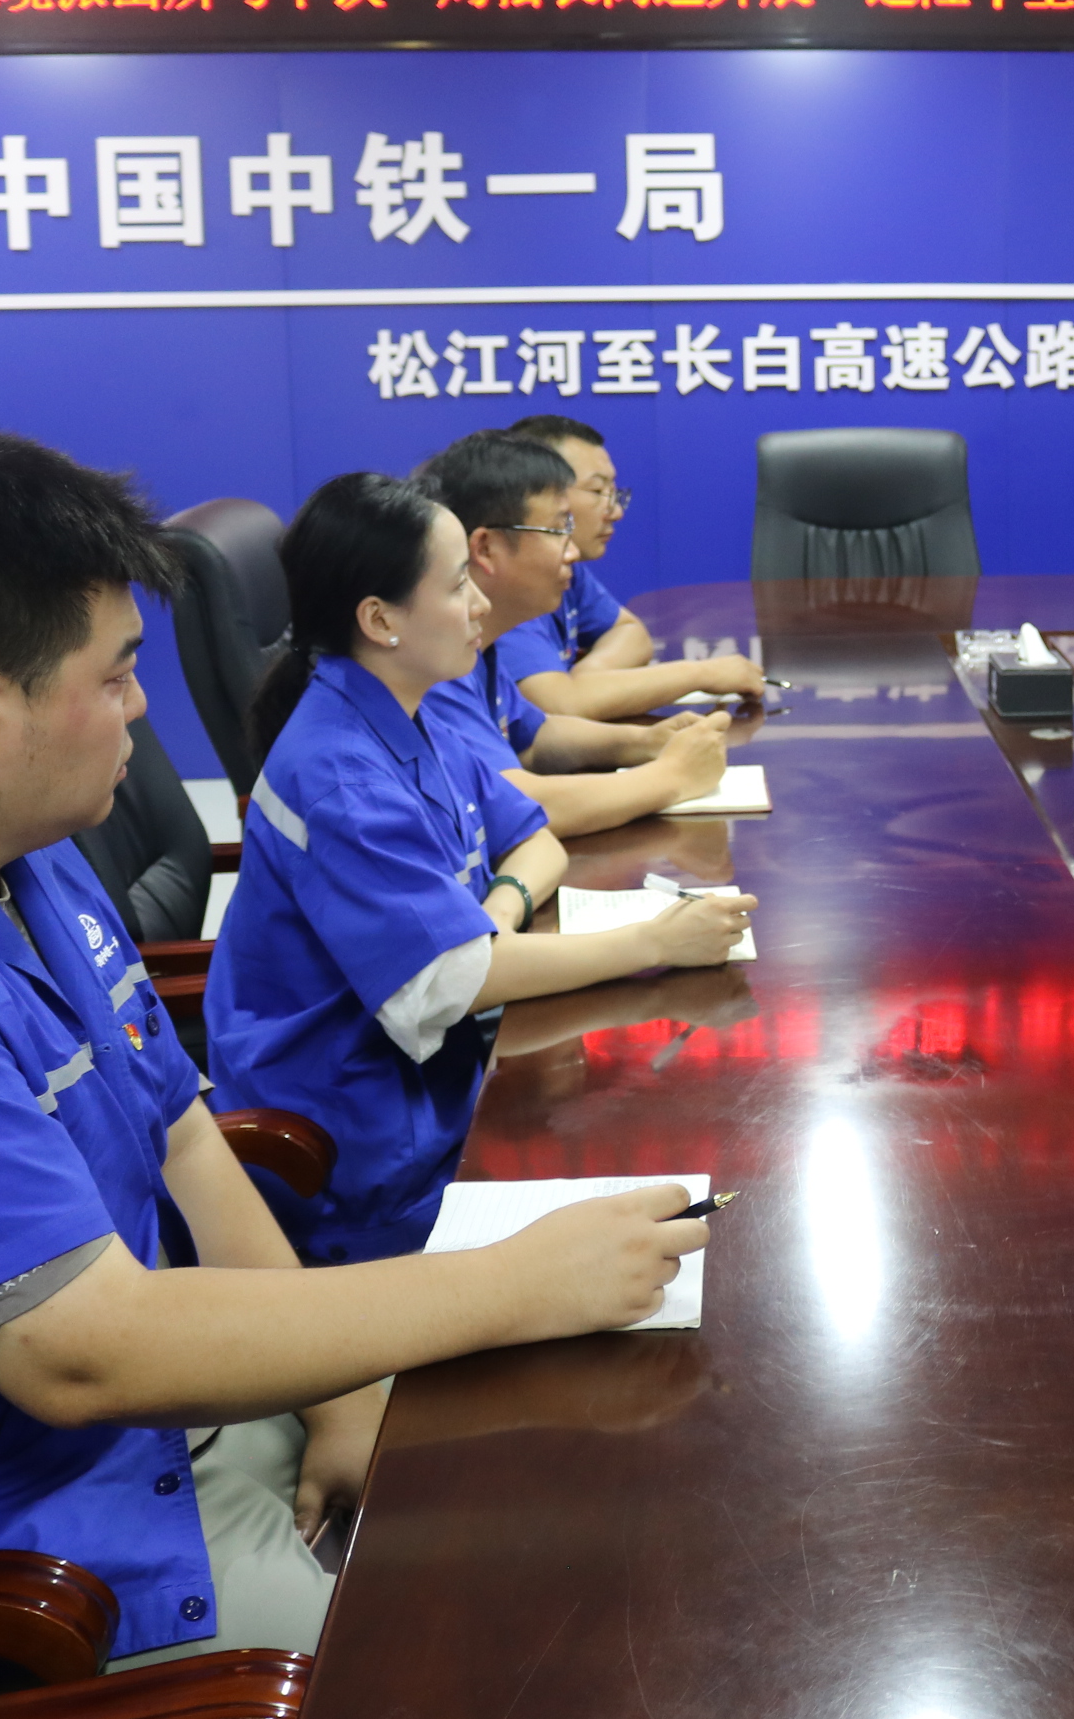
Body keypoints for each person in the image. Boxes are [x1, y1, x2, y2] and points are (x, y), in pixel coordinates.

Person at [0, 431, 711, 1673]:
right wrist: (516, 1284)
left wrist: (345, 1400)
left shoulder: (6, 838)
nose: (144, 706)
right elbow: (83, 1354)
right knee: (495, 1646)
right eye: (119, 673)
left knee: (552, 1488)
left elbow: (180, 1134)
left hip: (117, 1441)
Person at [203, 472, 752, 1265]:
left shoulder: (407, 711)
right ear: (379, 619)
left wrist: (495, 915)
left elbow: (537, 840)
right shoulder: (342, 775)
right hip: (365, 1151)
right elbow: (449, 981)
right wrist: (655, 942)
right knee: (674, 1219)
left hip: (444, 1081)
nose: (481, 604)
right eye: (459, 583)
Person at [409, 431, 731, 835]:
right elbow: (516, 806)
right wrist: (672, 776)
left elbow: (535, 736)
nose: (573, 551)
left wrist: (646, 741)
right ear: (486, 548)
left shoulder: (477, 645)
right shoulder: (430, 660)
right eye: (558, 529)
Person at [501, 415, 767, 721]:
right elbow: (560, 707)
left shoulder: (567, 566)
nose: (616, 512)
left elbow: (630, 633)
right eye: (597, 492)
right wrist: (702, 673)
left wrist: (588, 679)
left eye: (614, 493)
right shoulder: (507, 585)